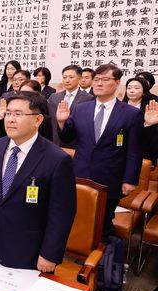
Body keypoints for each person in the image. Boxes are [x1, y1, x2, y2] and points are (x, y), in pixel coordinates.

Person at [0, 91, 76, 270]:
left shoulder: (56, 159)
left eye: (18, 114)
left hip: (28, 248)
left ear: (38, 120)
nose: (10, 119)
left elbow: (62, 214)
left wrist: (50, 254)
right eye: (8, 113)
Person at [57, 64, 142, 239]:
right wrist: (62, 122)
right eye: (96, 80)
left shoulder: (130, 114)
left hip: (110, 177)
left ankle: (102, 260)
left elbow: (134, 150)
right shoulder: (81, 108)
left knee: (102, 224)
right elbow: (67, 137)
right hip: (80, 175)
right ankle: (78, 256)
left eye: (105, 79)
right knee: (77, 218)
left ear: (117, 83)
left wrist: (130, 179)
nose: (99, 83)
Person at [47, 65, 94, 147]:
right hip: (55, 142)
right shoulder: (53, 97)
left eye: (71, 77)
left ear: (79, 78)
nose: (67, 80)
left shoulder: (88, 98)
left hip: (76, 143)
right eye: (64, 77)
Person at [124, 77, 158, 163]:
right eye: (129, 88)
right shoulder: (118, 107)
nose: (131, 91)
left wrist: (148, 124)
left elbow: (152, 139)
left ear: (144, 92)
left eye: (136, 88)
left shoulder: (150, 110)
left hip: (141, 153)